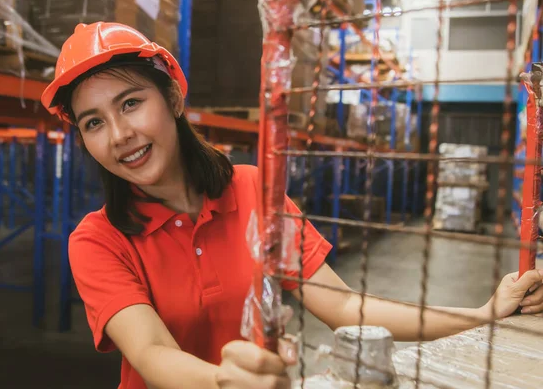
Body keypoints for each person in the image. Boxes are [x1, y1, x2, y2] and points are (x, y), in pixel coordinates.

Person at [41, 22, 543, 389]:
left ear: (172, 98)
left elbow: (343, 306)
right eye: (93, 123)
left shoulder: (253, 191)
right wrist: (227, 382)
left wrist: (483, 315)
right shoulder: (97, 240)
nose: (120, 134)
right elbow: (150, 352)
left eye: (131, 103)